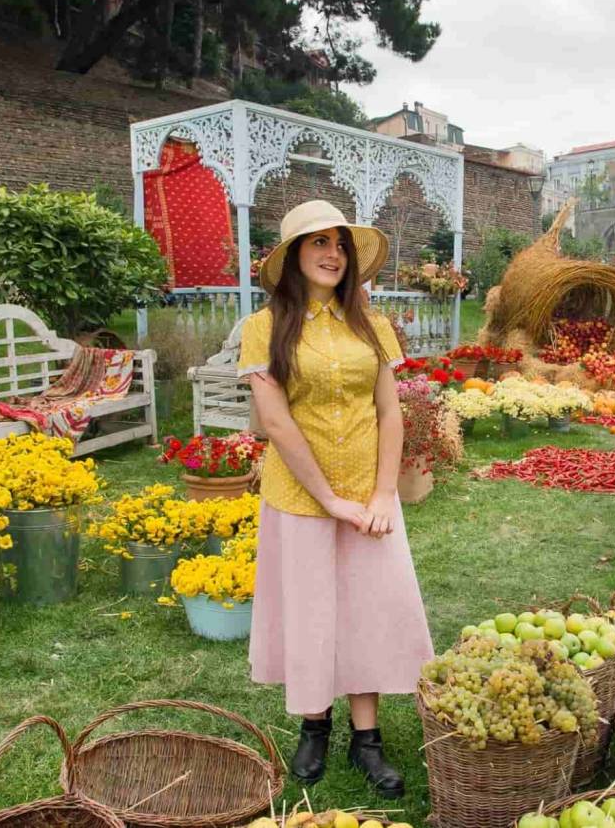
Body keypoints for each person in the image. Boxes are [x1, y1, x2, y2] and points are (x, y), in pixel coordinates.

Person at [236, 200, 433, 798]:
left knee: (369, 606)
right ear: (293, 256)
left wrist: (378, 494)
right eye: (317, 242)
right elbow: (276, 423)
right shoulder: (263, 328)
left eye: (340, 245)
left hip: (367, 496)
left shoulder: (370, 324)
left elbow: (389, 411)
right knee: (313, 607)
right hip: (300, 494)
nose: (331, 254)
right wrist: (329, 499)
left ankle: (367, 738)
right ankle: (315, 724)